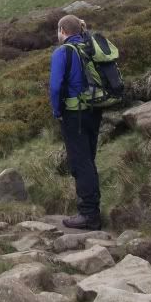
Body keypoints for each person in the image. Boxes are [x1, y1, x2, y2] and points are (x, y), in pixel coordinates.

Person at [49, 14, 103, 230]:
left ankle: (89, 215)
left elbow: (55, 87)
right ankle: (92, 209)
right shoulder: (90, 47)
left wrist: (57, 111)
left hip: (75, 115)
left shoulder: (63, 52)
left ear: (62, 30)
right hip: (95, 110)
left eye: (58, 30)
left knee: (81, 163)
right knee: (89, 159)